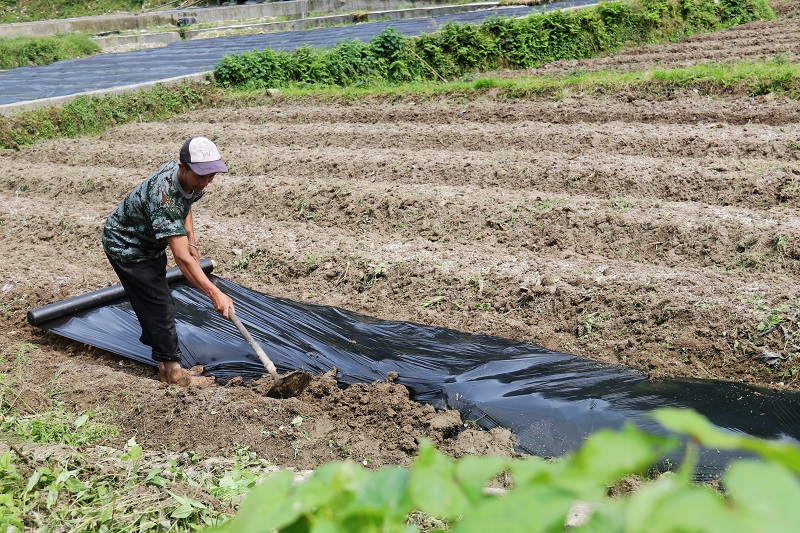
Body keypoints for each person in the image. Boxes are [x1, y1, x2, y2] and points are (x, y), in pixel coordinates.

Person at [102, 136, 234, 387]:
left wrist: (192, 241)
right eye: (201, 176)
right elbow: (181, 259)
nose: (206, 182)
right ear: (183, 168)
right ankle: (174, 374)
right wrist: (215, 293)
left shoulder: (189, 180)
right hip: (127, 245)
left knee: (156, 303)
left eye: (211, 176)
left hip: (148, 243)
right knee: (160, 306)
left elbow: (186, 206)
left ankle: (165, 368)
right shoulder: (165, 197)